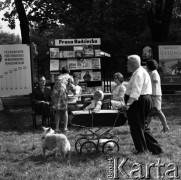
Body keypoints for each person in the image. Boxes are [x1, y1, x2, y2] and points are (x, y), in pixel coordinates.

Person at [123, 55, 163, 155]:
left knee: (136, 126)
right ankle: (155, 149)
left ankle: (141, 150)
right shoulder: (139, 72)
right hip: (141, 100)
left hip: (137, 101)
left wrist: (128, 104)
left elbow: (136, 90)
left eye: (128, 63)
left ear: (133, 64)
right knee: (142, 126)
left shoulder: (139, 73)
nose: (126, 65)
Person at [146, 59, 169, 132]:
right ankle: (145, 127)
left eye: (147, 65)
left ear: (149, 65)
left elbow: (155, 81)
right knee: (150, 112)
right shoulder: (152, 72)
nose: (146, 66)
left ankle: (165, 127)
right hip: (153, 94)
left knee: (158, 111)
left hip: (155, 94)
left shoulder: (154, 73)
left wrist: (148, 79)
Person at [51, 67, 75, 133]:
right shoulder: (69, 77)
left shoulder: (58, 77)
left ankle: (57, 128)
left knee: (57, 111)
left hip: (55, 93)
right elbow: (72, 86)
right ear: (68, 72)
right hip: (62, 93)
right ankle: (65, 128)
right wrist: (74, 92)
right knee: (65, 110)